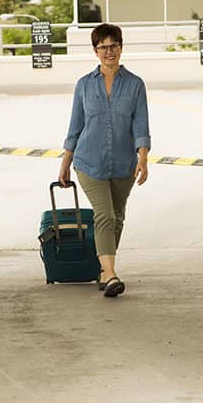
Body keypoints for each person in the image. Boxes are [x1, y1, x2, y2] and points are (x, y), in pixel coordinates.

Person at [58, 23, 150, 298]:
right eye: (104, 47)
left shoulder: (135, 84)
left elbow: (141, 126)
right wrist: (65, 162)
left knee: (117, 217)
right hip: (89, 162)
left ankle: (103, 270)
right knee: (105, 215)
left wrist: (143, 158)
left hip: (123, 163)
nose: (109, 51)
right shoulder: (84, 85)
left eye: (114, 46)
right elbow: (75, 126)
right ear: (95, 51)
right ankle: (110, 275)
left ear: (121, 47)